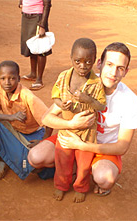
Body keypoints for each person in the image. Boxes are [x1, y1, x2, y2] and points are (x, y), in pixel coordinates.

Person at [28, 42, 137, 197]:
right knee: (35, 157)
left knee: (105, 178)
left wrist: (82, 145)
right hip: (72, 138)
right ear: (99, 63)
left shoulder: (130, 100)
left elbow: (122, 147)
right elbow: (47, 118)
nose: (113, 72)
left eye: (120, 68)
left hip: (101, 148)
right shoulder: (80, 81)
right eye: (109, 64)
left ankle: (85, 169)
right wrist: (71, 124)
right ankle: (75, 166)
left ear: (126, 71)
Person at [51, 38, 106, 203]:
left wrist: (88, 99)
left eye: (88, 62)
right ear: (71, 58)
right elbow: (55, 97)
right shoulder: (63, 77)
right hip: (66, 132)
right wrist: (62, 105)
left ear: (95, 60)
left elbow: (101, 106)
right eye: (78, 61)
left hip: (87, 134)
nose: (83, 66)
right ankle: (61, 185)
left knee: (84, 165)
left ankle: (81, 187)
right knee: (62, 161)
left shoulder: (96, 83)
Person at [0, 60, 52, 180]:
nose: (7, 83)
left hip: (32, 134)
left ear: (19, 78)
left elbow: (49, 119)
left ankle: (12, 157)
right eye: (3, 78)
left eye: (12, 78)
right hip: (13, 130)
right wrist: (10, 117)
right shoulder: (0, 89)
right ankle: (3, 160)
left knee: (39, 168)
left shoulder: (28, 97)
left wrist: (43, 140)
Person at [19, 0, 52, 91]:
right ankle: (33, 73)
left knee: (40, 47)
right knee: (31, 45)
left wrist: (42, 25)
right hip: (26, 15)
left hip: (38, 17)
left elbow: (47, 4)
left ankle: (39, 79)